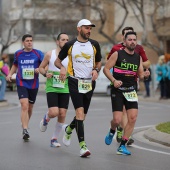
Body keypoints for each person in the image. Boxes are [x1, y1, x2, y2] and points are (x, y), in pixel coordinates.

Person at [54, 19, 102, 157]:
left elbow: (99, 62)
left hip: (89, 83)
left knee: (82, 116)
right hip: (74, 82)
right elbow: (58, 61)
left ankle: (69, 129)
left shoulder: (95, 44)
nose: (89, 31)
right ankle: (83, 146)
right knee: (79, 113)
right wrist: (62, 68)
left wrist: (96, 70)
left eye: (90, 28)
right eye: (86, 28)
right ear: (79, 29)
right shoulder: (70, 45)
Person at [103, 31, 150, 155]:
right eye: (130, 40)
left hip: (131, 90)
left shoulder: (138, 57)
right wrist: (113, 80)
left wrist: (145, 75)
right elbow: (106, 69)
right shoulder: (117, 54)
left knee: (133, 118)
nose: (133, 42)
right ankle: (112, 129)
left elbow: (140, 74)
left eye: (135, 40)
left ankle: (122, 145)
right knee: (117, 120)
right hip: (118, 90)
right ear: (124, 41)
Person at [6, 34, 44, 141]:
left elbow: (44, 65)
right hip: (21, 82)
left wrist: (39, 69)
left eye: (31, 40)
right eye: (27, 41)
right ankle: (25, 129)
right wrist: (9, 74)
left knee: (30, 108)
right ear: (23, 42)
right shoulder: (18, 53)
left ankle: (25, 122)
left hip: (33, 84)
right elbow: (15, 65)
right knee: (24, 105)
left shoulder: (38, 53)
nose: (29, 42)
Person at [39, 33, 69, 147]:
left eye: (67, 40)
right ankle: (46, 118)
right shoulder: (50, 54)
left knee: (62, 114)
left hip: (65, 87)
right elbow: (41, 68)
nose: (65, 41)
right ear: (57, 41)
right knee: (54, 112)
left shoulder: (71, 56)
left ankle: (54, 139)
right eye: (63, 39)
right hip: (52, 87)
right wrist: (46, 73)